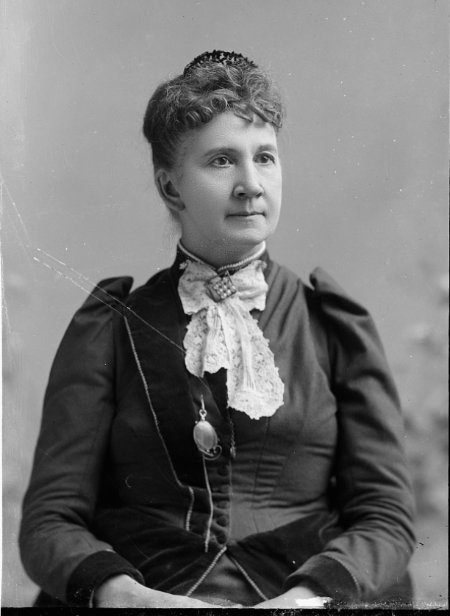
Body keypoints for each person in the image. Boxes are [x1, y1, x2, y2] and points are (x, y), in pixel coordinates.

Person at [19, 50, 415, 609]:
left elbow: (387, 516)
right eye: (223, 161)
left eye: (266, 158)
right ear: (171, 188)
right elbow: (49, 520)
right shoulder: (111, 328)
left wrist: (306, 600)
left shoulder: (330, 325)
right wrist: (127, 596)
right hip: (146, 593)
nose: (251, 184)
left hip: (303, 594)